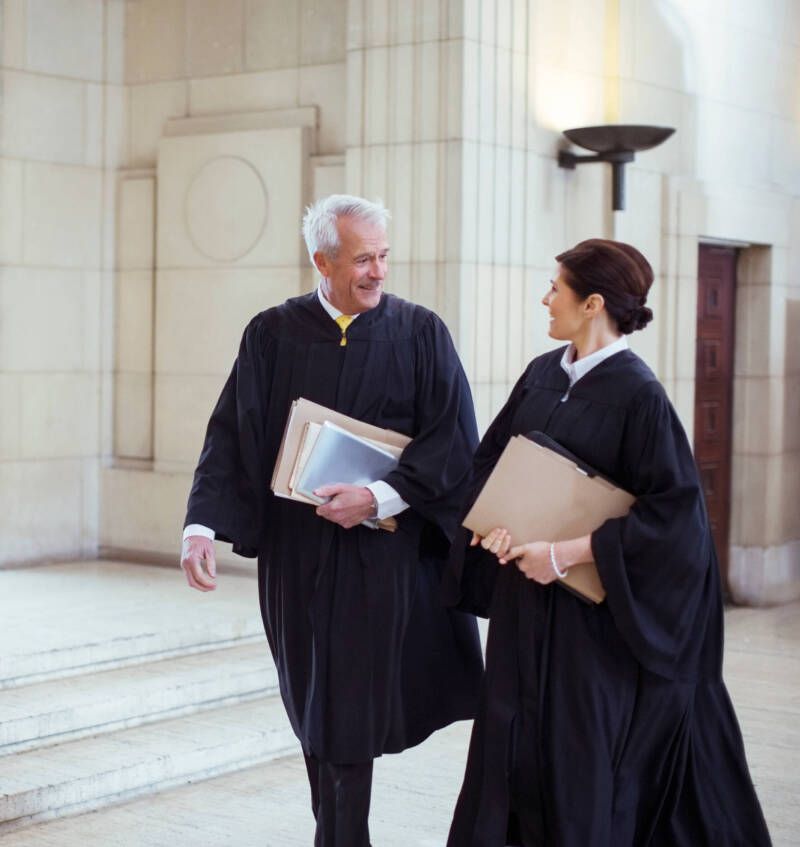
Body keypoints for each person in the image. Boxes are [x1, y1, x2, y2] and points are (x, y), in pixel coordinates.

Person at [444, 239, 771, 846]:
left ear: (592, 303)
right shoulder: (542, 375)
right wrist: (495, 526)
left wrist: (563, 554)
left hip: (587, 630)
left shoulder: (639, 396)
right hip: (524, 613)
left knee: (575, 765)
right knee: (509, 755)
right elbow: (489, 465)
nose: (546, 298)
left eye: (556, 288)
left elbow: (676, 521)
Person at [179, 194, 483, 846]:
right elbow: (232, 432)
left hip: (381, 558)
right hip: (298, 559)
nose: (378, 271)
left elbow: (453, 440)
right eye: (363, 259)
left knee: (347, 705)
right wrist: (200, 526)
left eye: (384, 256)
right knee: (315, 701)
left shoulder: (421, 333)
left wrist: (379, 495)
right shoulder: (272, 333)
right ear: (321, 260)